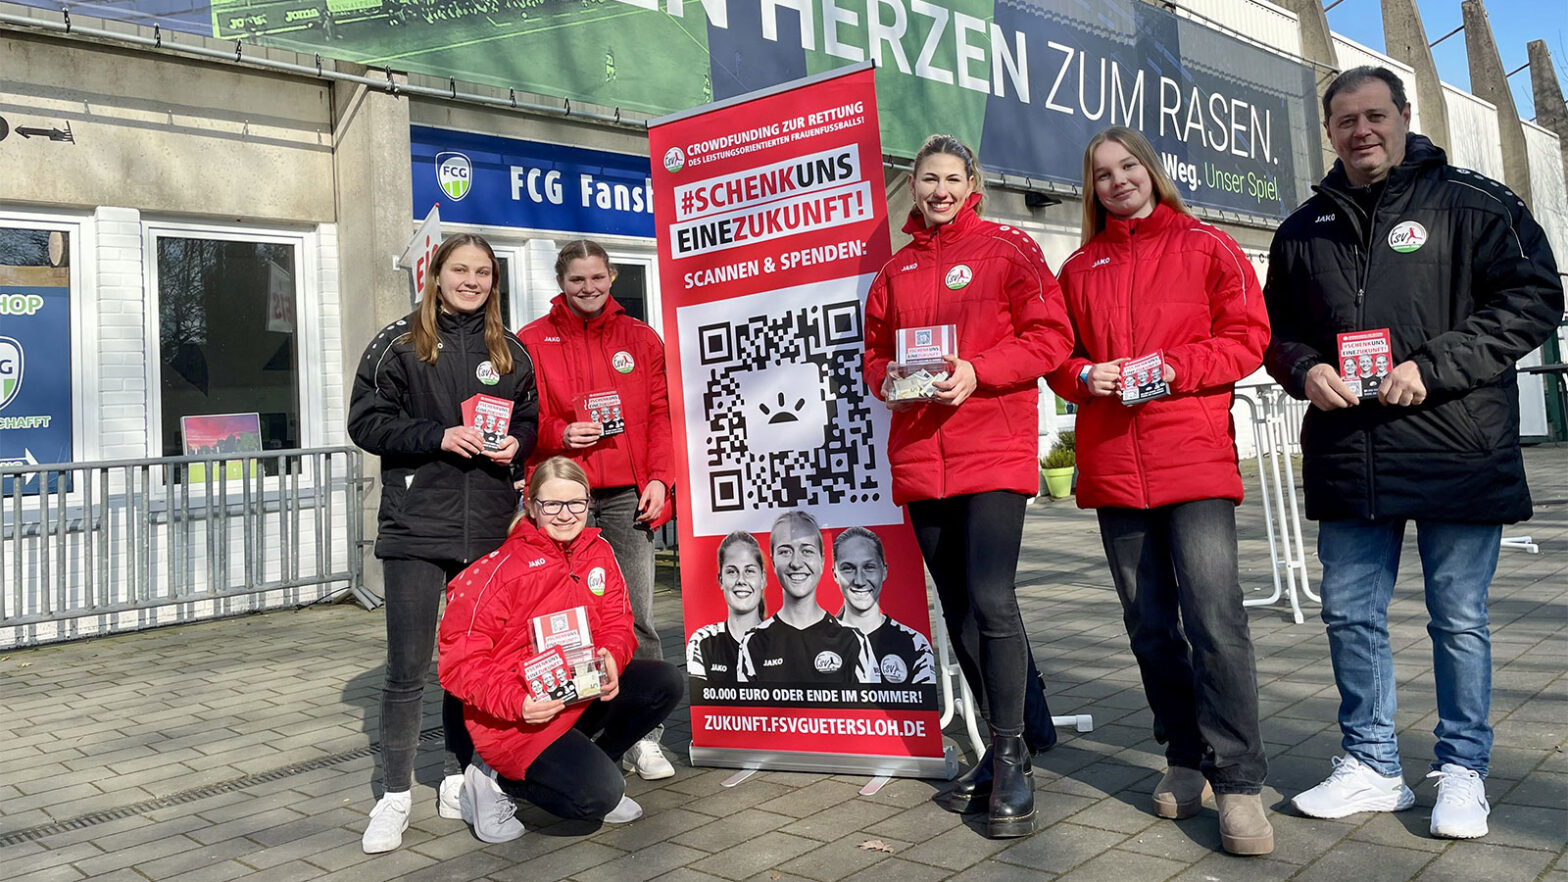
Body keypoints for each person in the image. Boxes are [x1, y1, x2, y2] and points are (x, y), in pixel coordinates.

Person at [1263, 67, 1562, 840]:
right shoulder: (1302, 228)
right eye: (1344, 121)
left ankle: (1462, 770)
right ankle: (1371, 765)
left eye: (1374, 116)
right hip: (1350, 451)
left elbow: (1535, 295)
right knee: (1348, 615)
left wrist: (1432, 368)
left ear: (1405, 115)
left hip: (1458, 448)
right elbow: (1277, 334)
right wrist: (1305, 368)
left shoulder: (1474, 201)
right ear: (1328, 131)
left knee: (1458, 619)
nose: (1361, 131)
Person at [1044, 126, 1273, 856]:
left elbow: (1248, 338)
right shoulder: (1079, 267)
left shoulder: (1208, 246)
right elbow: (1057, 357)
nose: (1117, 181)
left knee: (1215, 621)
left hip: (1194, 463)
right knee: (1149, 628)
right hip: (1116, 470)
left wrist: (1172, 367)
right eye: (1102, 173)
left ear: (1152, 170)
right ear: (1092, 188)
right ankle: (1184, 758)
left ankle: (1238, 783)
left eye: (1128, 166)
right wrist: (1086, 377)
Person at [863, 134, 1074, 838]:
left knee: (991, 597)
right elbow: (873, 352)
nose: (941, 190)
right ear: (914, 186)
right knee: (956, 608)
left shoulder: (1008, 248)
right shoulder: (894, 271)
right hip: (922, 456)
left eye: (953, 178)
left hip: (990, 450)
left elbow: (1051, 337)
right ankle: (992, 745)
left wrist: (978, 370)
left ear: (972, 183)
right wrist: (886, 382)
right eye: (929, 179)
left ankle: (1014, 754)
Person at [346, 233, 539, 853]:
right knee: (407, 671)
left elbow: (529, 416)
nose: (473, 281)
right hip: (416, 528)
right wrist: (437, 435)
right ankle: (394, 795)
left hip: (487, 529)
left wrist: (519, 445)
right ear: (436, 274)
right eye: (461, 269)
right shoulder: (397, 344)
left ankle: (462, 774)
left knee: (472, 666)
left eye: (483, 272)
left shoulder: (510, 350)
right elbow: (365, 422)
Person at [438, 457, 684, 842]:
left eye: (576, 503)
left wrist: (611, 660)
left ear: (589, 502)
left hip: (579, 696)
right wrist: (517, 702)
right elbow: (459, 662)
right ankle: (493, 781)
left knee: (665, 681)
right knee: (594, 799)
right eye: (552, 504)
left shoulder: (599, 551)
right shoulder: (497, 569)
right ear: (531, 505)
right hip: (519, 720)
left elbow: (619, 624)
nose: (566, 514)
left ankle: (594, 763)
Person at [517, 239, 677, 781]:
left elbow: (661, 415)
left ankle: (642, 736)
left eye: (598, 278)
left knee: (634, 613)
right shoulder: (533, 341)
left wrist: (660, 480)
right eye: (577, 279)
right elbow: (523, 422)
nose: (588, 288)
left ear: (612, 278)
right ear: (560, 282)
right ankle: (569, 729)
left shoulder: (641, 337)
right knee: (562, 617)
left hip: (628, 495)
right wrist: (560, 433)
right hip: (565, 493)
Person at [736, 510, 879, 684]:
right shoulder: (753, 643)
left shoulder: (853, 641)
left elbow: (868, 710)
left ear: (822, 560)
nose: (796, 563)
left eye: (807, 551)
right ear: (773, 561)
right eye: (785, 552)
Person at [832, 526, 935, 686]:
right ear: (835, 574)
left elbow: (924, 707)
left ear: (884, 571)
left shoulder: (915, 644)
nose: (859, 581)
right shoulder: (812, 642)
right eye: (848, 568)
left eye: (869, 567)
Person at [686, 531, 767, 682]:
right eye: (732, 571)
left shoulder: (782, 640)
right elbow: (702, 703)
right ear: (721, 580)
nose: (741, 580)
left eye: (749, 571)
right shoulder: (703, 642)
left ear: (762, 579)